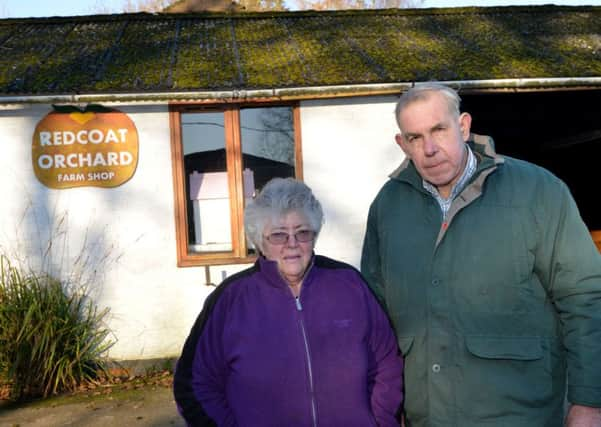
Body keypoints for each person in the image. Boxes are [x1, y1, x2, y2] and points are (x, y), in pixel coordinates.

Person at [361, 82, 601, 427]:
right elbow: (376, 315)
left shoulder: (537, 191)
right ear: (402, 144)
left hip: (522, 413)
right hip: (426, 416)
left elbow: (585, 296)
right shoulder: (388, 206)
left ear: (463, 126)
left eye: (439, 130)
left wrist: (590, 400)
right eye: (415, 138)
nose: (429, 148)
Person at [174, 177, 404, 427]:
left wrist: (379, 421)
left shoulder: (349, 284)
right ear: (260, 241)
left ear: (314, 235)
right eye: (278, 235)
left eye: (302, 233)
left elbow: (386, 363)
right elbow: (194, 383)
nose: (292, 244)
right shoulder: (231, 299)